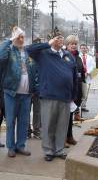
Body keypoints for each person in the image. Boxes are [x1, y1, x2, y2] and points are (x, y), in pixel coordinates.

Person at [26, 29, 78, 162]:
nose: (60, 40)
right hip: (49, 95)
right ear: (52, 40)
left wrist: (74, 95)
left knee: (62, 125)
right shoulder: (43, 54)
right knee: (48, 124)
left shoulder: (68, 55)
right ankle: (49, 151)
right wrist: (47, 44)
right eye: (57, 38)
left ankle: (59, 150)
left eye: (61, 37)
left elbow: (74, 76)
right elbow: (29, 49)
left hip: (65, 97)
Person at [0, 26, 37, 158]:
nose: (21, 39)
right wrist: (11, 39)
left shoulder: (28, 52)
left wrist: (35, 86)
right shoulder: (9, 51)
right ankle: (11, 147)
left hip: (26, 94)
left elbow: (35, 70)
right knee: (11, 120)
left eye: (22, 37)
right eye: (19, 37)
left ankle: (20, 146)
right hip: (11, 93)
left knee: (24, 121)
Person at [64, 35, 85, 146]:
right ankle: (62, 138)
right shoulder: (63, 56)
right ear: (67, 45)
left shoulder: (78, 57)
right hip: (66, 89)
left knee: (71, 116)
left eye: (75, 44)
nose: (73, 45)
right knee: (64, 116)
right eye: (71, 44)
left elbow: (81, 72)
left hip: (76, 89)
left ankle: (69, 136)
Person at [28, 37, 41, 140]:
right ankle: (27, 130)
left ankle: (37, 130)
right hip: (28, 90)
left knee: (37, 111)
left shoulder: (41, 58)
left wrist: (37, 88)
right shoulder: (27, 58)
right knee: (26, 111)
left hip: (38, 91)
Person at [78, 44, 95, 115]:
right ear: (80, 49)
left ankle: (83, 106)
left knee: (86, 93)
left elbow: (93, 66)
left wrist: (87, 72)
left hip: (87, 77)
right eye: (82, 48)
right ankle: (78, 106)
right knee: (80, 92)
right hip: (80, 78)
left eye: (84, 48)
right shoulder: (78, 57)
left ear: (86, 49)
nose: (83, 49)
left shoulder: (90, 57)